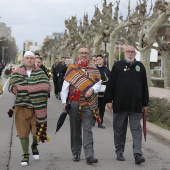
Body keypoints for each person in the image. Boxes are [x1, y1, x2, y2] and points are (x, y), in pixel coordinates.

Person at [105, 45, 149, 165]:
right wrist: (108, 100)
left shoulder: (140, 66)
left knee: (136, 129)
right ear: (124, 53)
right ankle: (119, 151)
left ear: (135, 53)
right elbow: (111, 84)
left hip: (136, 105)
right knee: (119, 130)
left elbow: (144, 85)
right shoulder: (117, 66)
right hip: (120, 104)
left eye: (132, 52)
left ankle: (138, 154)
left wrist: (145, 103)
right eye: (128, 52)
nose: (130, 54)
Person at [8, 51, 51, 167]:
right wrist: (31, 88)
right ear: (24, 60)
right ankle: (25, 155)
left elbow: (46, 87)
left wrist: (24, 89)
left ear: (34, 59)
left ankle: (34, 146)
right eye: (27, 58)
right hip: (21, 107)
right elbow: (11, 87)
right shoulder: (17, 73)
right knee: (23, 133)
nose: (29, 60)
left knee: (36, 132)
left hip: (37, 108)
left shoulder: (41, 73)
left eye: (31, 58)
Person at [61, 47, 102, 164]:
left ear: (89, 55)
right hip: (74, 103)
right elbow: (65, 87)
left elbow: (99, 83)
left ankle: (89, 155)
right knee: (75, 129)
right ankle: (76, 153)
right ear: (78, 55)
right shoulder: (72, 68)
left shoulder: (94, 68)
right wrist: (64, 102)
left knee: (88, 129)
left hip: (88, 103)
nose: (84, 55)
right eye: (82, 53)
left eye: (86, 53)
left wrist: (92, 90)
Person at [96, 54, 110, 129]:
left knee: (102, 108)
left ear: (103, 60)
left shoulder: (107, 70)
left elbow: (110, 80)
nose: (98, 60)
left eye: (100, 59)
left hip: (103, 93)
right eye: (97, 59)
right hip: (94, 93)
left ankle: (100, 122)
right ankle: (93, 119)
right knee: (95, 107)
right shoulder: (94, 69)